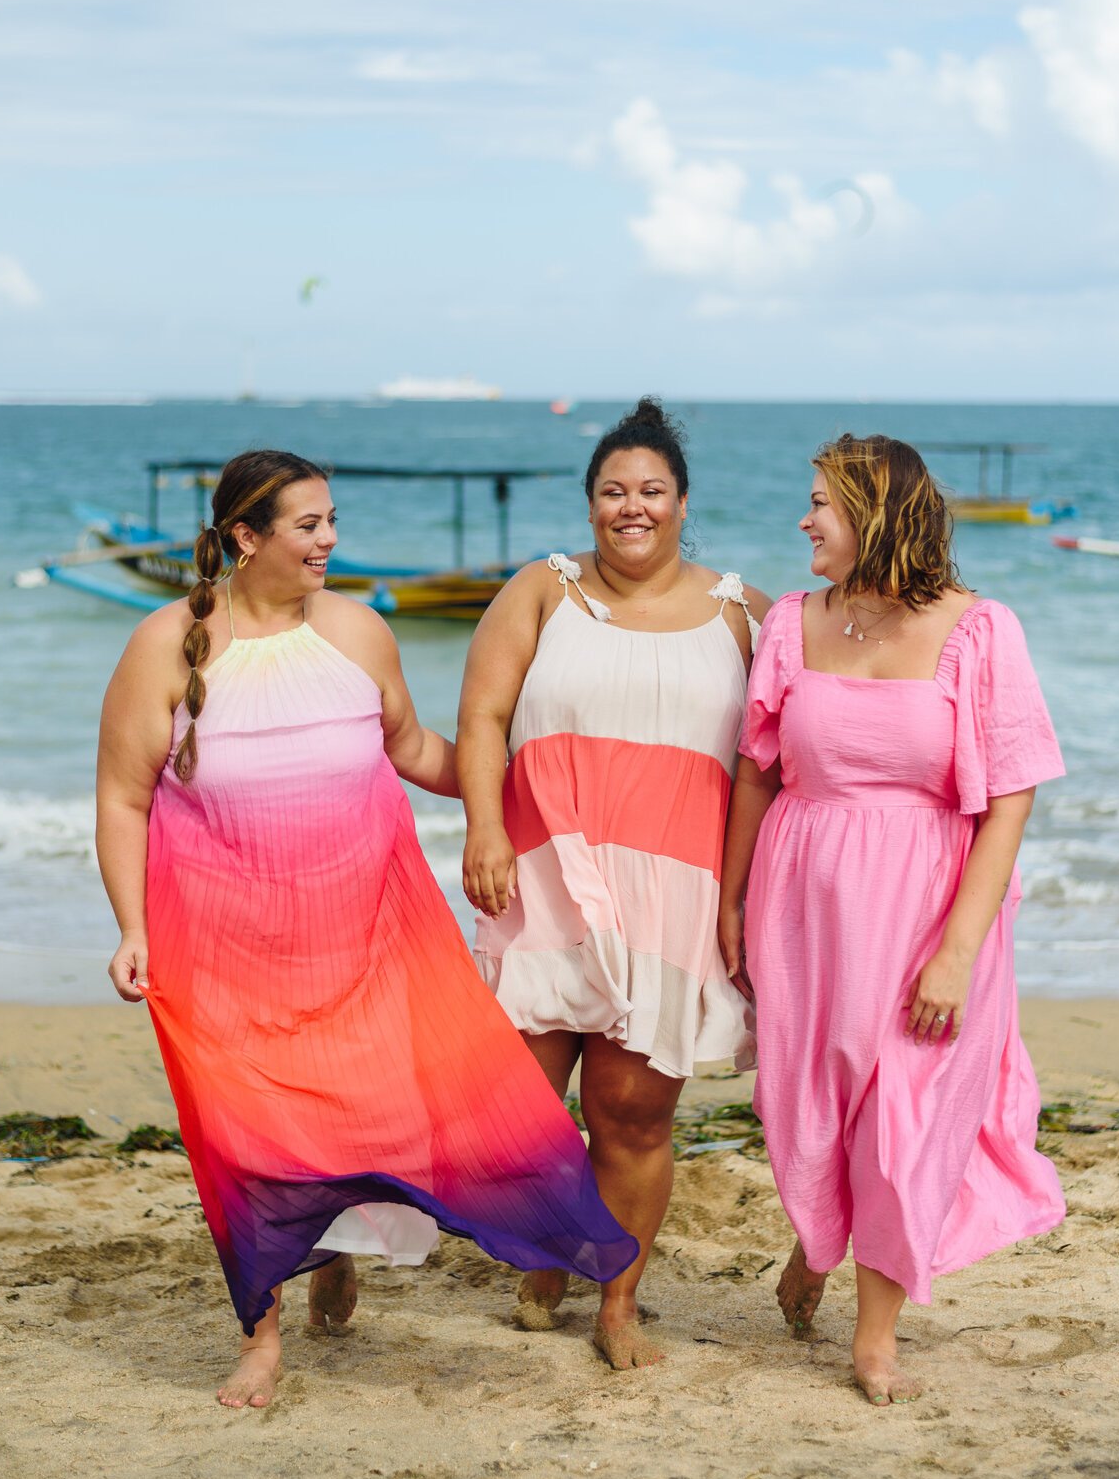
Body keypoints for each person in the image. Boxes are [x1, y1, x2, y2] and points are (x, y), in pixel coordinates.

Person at [96, 449, 636, 1409]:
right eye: (309, 526)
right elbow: (123, 797)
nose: (331, 540)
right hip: (219, 949)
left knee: (370, 1115)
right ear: (245, 537)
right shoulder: (161, 646)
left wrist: (518, 788)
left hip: (361, 938)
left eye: (332, 520)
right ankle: (261, 1337)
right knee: (243, 1140)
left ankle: (336, 1244)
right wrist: (132, 927)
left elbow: (415, 749)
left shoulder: (356, 631)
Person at [718, 433, 1066, 1407]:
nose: (803, 521)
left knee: (905, 1120)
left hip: (930, 906)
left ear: (873, 517)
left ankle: (873, 1341)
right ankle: (813, 1252)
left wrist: (956, 951)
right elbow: (757, 770)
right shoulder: (790, 623)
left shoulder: (979, 632)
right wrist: (732, 897)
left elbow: (1008, 799)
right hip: (808, 904)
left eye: (819, 503)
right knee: (818, 1103)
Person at [458, 399, 769, 1369]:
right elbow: (479, 719)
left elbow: (778, 761)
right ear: (588, 504)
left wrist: (748, 895)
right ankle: (547, 1244)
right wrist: (480, 828)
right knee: (517, 1108)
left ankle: (617, 1304)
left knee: (632, 1114)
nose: (629, 507)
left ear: (681, 503)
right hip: (541, 877)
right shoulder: (542, 591)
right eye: (610, 491)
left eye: (649, 491)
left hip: (672, 895)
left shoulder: (740, 611)